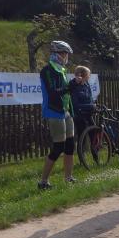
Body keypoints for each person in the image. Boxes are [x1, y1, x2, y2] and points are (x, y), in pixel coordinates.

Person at [38, 40, 77, 189]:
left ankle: (68, 178)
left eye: (66, 54)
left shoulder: (62, 69)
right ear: (57, 54)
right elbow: (53, 93)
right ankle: (43, 182)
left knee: (70, 145)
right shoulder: (47, 70)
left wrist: (73, 87)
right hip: (54, 111)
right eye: (64, 53)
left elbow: (66, 92)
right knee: (58, 147)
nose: (66, 56)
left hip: (65, 110)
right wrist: (70, 86)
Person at [69, 65, 95, 141]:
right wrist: (90, 106)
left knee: (93, 132)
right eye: (88, 74)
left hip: (88, 113)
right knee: (82, 134)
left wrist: (92, 106)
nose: (89, 76)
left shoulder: (87, 84)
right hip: (79, 114)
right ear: (83, 75)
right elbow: (75, 104)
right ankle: (81, 148)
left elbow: (90, 98)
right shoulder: (74, 85)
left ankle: (94, 147)